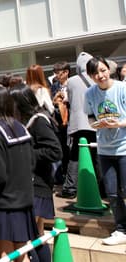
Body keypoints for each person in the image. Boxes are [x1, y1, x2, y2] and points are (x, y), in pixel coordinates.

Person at [0, 85, 37, 262]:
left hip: (2, 204)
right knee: (22, 255)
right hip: (24, 200)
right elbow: (32, 162)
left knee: (5, 255)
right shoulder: (21, 127)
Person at [10, 84, 63, 262]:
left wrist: (28, 154)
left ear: (20, 104)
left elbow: (55, 151)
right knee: (37, 234)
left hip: (38, 184)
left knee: (28, 234)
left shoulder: (38, 121)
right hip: (36, 183)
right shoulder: (30, 120)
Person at [84, 56, 126, 245]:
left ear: (108, 69)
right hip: (104, 150)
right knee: (112, 193)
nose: (100, 75)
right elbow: (91, 118)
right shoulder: (90, 93)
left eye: (102, 70)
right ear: (91, 76)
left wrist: (118, 123)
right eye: (95, 73)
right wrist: (97, 125)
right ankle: (121, 229)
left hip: (124, 148)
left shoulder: (122, 88)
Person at [57, 52, 99, 199]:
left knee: (75, 156)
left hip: (77, 124)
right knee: (96, 156)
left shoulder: (72, 81)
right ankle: (101, 187)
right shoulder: (96, 79)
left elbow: (69, 99)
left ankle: (70, 188)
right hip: (94, 123)